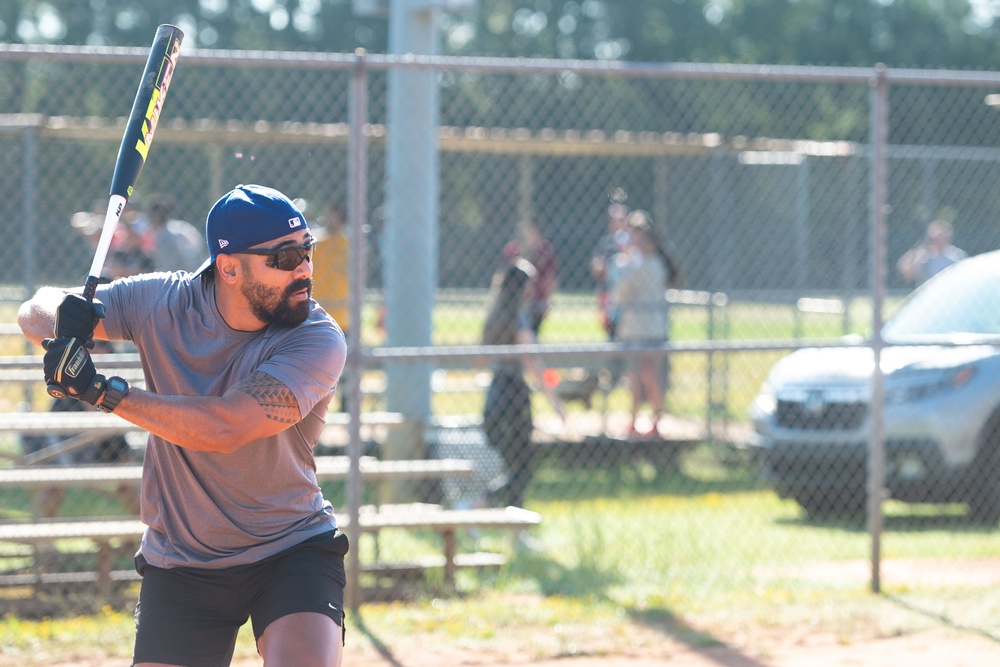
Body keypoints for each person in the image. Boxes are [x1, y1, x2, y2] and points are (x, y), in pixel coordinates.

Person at [19, 184, 348, 667]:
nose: (304, 269)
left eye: (307, 252)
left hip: (288, 548)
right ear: (229, 267)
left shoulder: (316, 338)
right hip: (183, 559)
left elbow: (225, 428)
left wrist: (100, 391)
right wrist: (62, 315)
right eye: (285, 257)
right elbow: (33, 312)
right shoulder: (163, 301)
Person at [482, 258, 564, 510]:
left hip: (495, 392)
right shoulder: (519, 318)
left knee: (512, 465)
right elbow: (533, 361)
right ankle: (483, 507)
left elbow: (480, 357)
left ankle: (487, 510)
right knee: (522, 464)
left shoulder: (495, 315)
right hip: (514, 393)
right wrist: (556, 403)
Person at [612, 210, 683, 439]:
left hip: (647, 329)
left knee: (647, 375)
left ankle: (654, 420)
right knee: (635, 376)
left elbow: (621, 293)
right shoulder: (641, 263)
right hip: (637, 329)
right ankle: (637, 420)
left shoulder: (646, 265)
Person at [501, 218, 558, 336]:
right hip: (515, 302)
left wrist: (548, 301)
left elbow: (550, 278)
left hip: (537, 300)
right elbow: (502, 276)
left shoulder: (544, 250)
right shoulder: (513, 249)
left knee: (532, 334)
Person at [590, 202, 630, 340]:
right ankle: (615, 357)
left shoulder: (632, 240)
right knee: (611, 328)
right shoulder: (606, 242)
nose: (616, 223)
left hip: (627, 291)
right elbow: (597, 267)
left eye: (620, 219)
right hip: (610, 292)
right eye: (612, 219)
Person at [144, 193, 205, 272]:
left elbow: (169, 267)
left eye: (150, 216)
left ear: (156, 217)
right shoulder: (176, 226)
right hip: (197, 267)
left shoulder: (164, 235)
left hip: (186, 272)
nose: (149, 220)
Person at [897, 219, 967, 285]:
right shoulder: (925, 257)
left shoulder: (957, 255)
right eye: (935, 238)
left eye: (942, 237)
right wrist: (918, 252)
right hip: (929, 293)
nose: (939, 240)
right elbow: (907, 273)